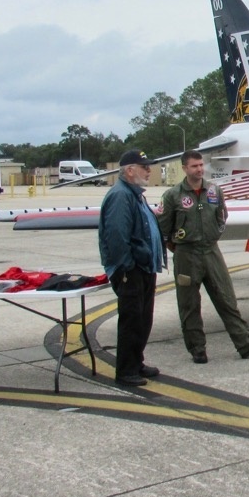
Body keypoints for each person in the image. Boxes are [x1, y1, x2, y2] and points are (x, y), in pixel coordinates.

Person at [157, 151, 249, 364]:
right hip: (186, 255)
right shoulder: (173, 196)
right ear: (184, 168)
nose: (199, 169)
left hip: (211, 251)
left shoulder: (214, 191)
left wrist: (210, 238)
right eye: (194, 166)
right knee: (189, 304)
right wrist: (180, 247)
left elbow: (222, 218)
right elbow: (163, 229)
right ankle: (197, 349)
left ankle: (245, 343)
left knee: (226, 298)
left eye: (201, 165)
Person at [99, 149, 165, 386]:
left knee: (142, 319)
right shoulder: (121, 196)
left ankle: (136, 362)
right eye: (144, 166)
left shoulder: (136, 195)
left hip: (144, 267)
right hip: (131, 269)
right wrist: (126, 269)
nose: (149, 171)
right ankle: (126, 370)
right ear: (130, 170)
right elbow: (117, 236)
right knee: (131, 320)